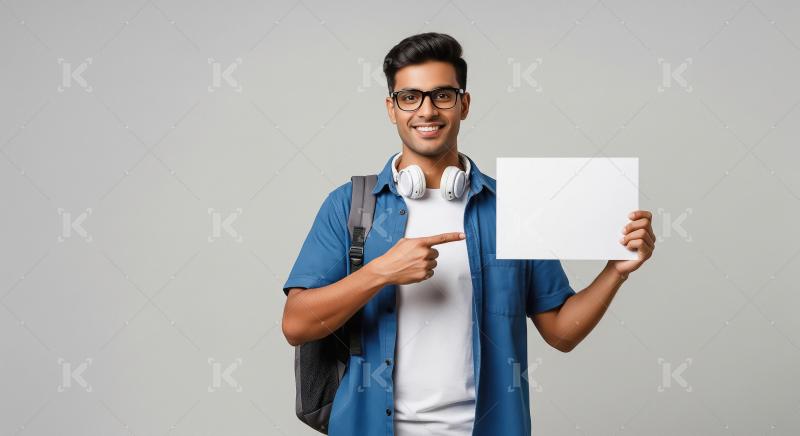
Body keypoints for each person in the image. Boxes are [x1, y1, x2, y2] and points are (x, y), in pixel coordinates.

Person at [281, 32, 655, 436]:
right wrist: (381, 272)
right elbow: (296, 325)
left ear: (464, 104)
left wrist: (616, 270)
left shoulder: (514, 208)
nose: (427, 111)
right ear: (392, 108)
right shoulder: (350, 205)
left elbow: (562, 332)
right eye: (410, 97)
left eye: (442, 95)